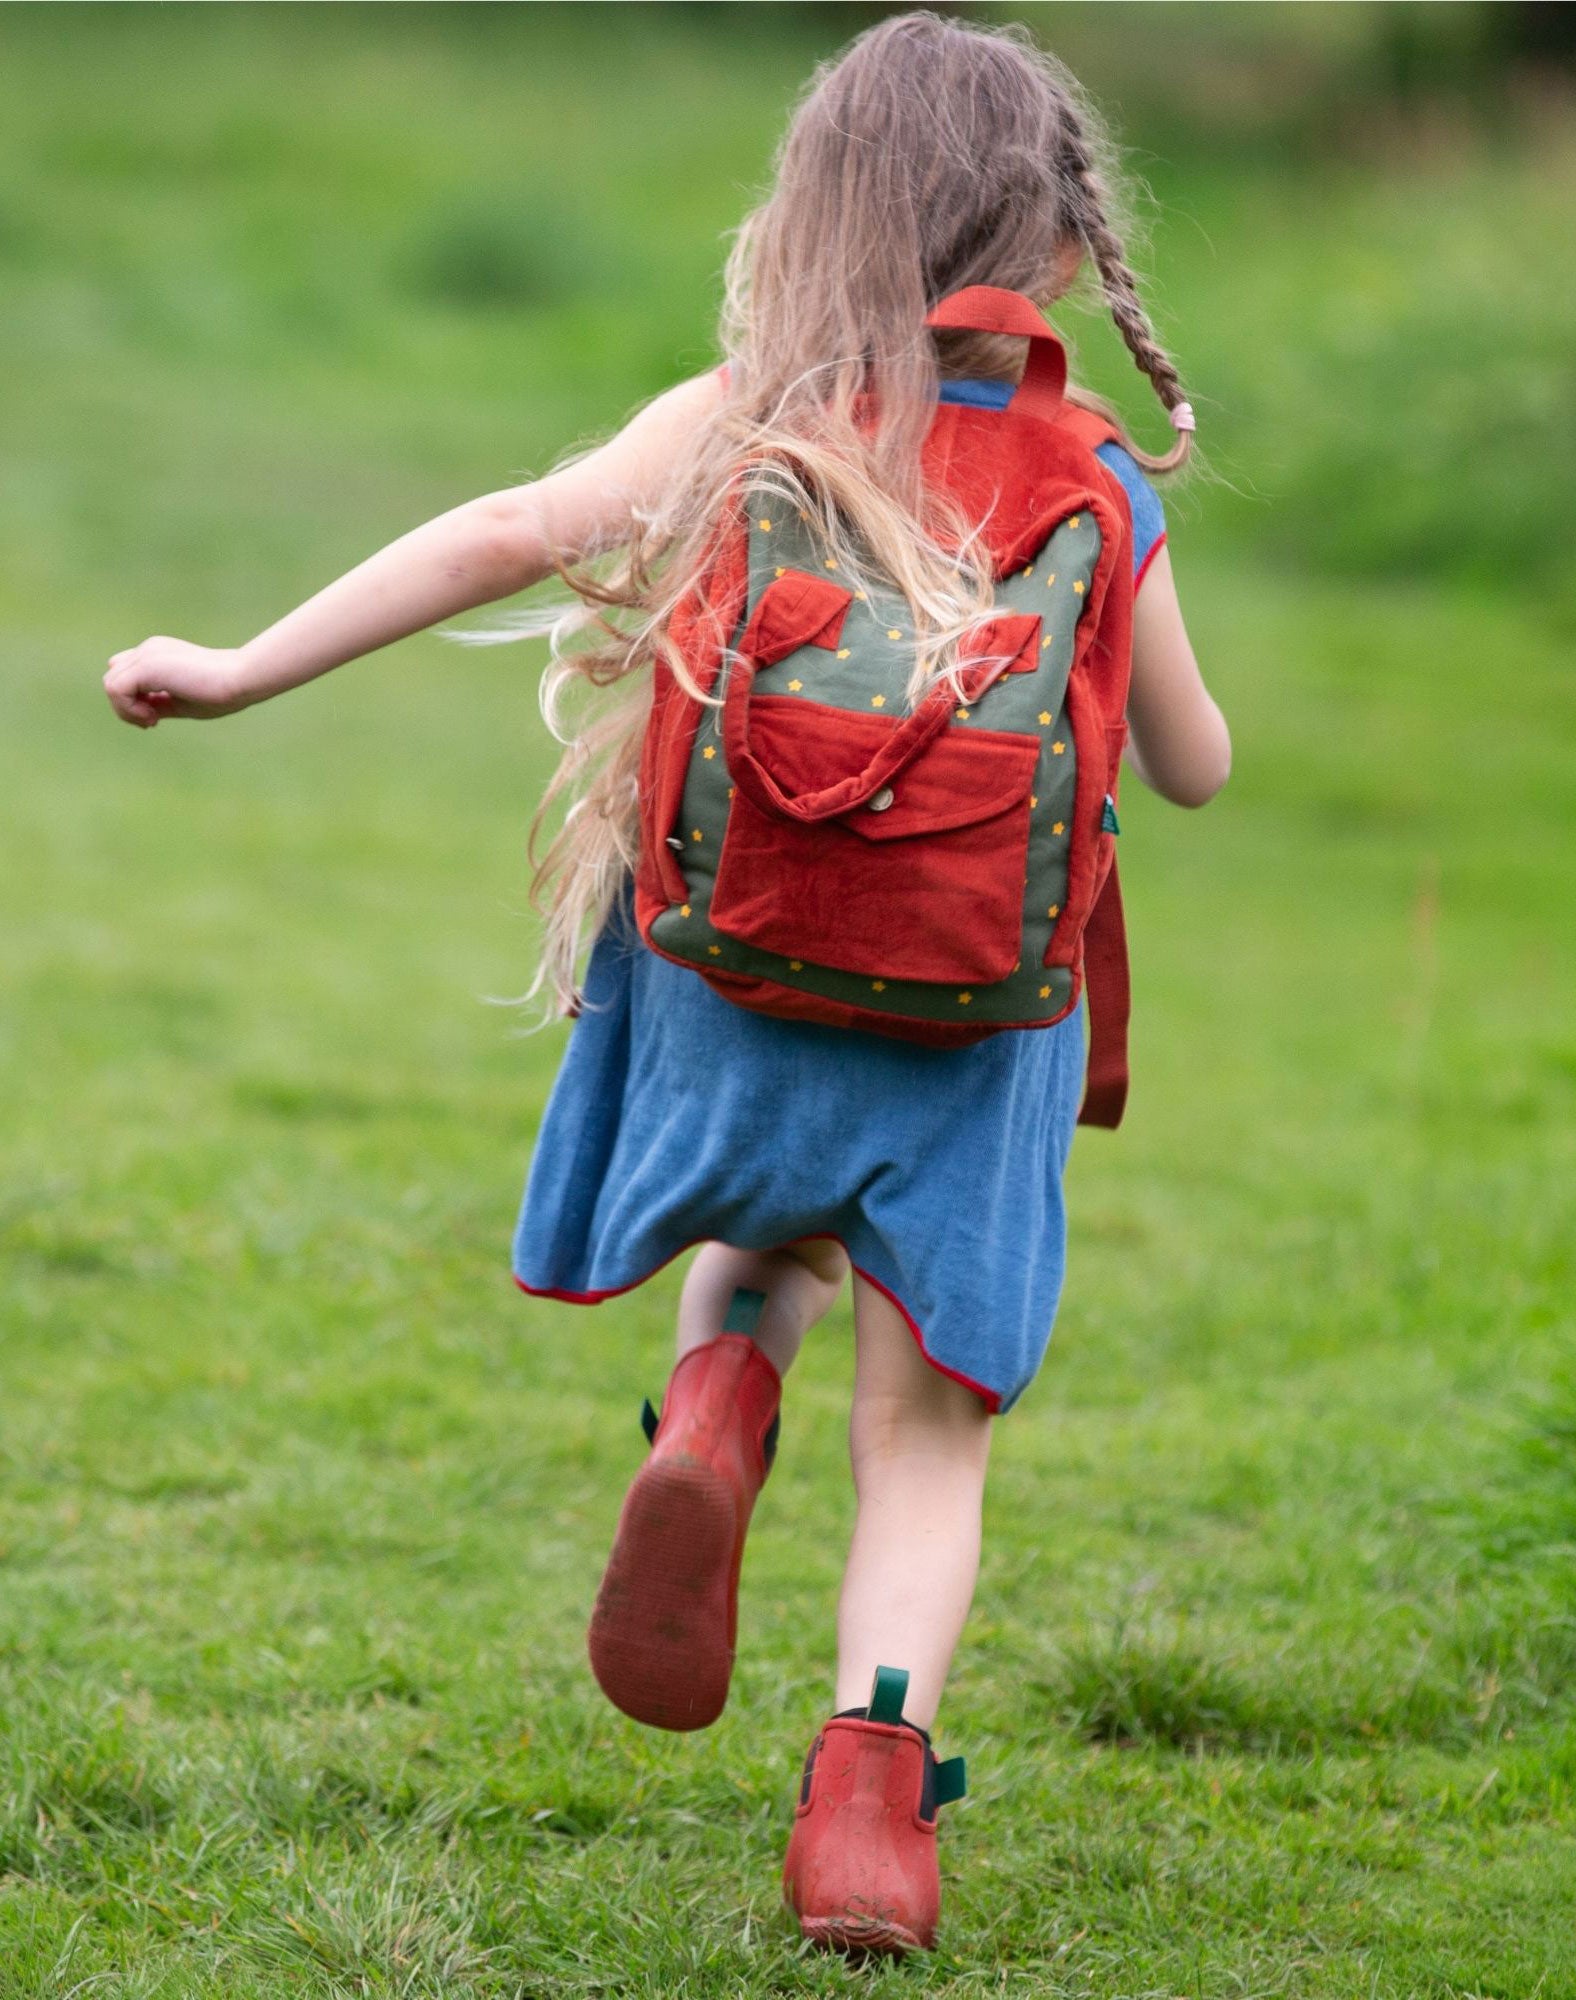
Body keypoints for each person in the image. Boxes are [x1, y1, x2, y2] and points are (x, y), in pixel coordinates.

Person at [102, 10, 1229, 1958]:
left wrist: (233, 663)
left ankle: (715, 1390)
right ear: (1052, 250)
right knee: (928, 1427)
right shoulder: (1090, 478)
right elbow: (1194, 763)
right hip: (972, 1030)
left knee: (762, 1231)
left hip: (735, 973)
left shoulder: (750, 416)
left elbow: (508, 537)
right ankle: (871, 1788)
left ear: (825, 220)